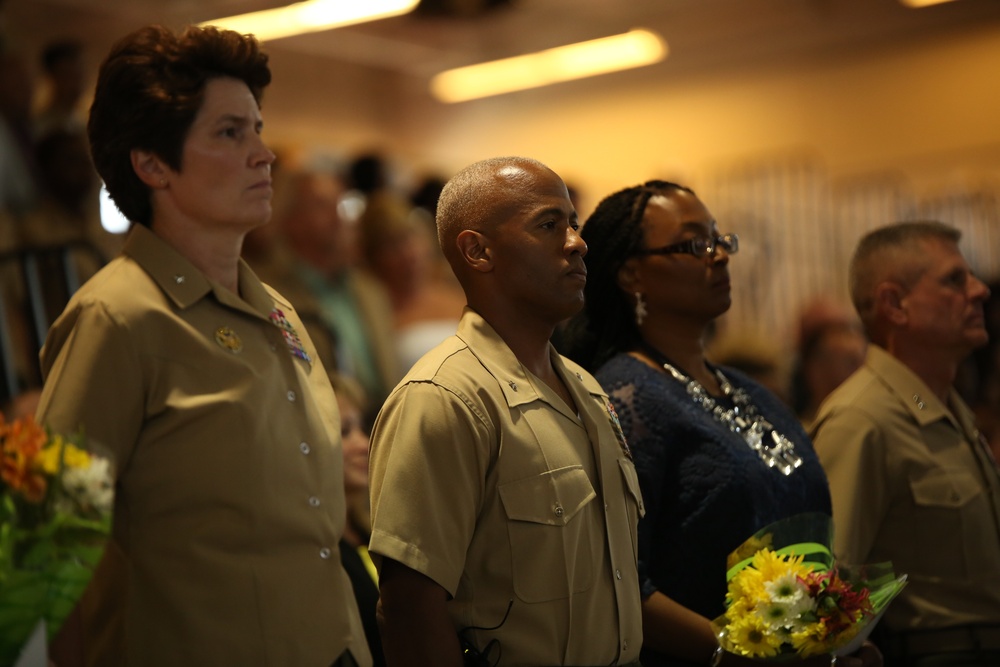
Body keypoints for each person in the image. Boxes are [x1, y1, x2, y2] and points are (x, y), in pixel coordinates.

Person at [34, 25, 371, 666]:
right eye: (229, 133)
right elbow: (46, 544)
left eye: (258, 128)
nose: (263, 154)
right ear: (151, 164)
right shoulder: (116, 317)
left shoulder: (280, 312)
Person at [562, 180, 875, 667]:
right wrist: (741, 655)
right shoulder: (623, 395)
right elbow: (619, 580)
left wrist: (837, 628)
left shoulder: (748, 390)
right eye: (695, 245)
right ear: (631, 274)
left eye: (720, 241)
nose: (720, 256)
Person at [367, 156, 644, 666]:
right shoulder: (444, 397)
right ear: (477, 251)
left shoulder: (585, 388)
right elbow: (410, 611)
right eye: (549, 224)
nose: (578, 242)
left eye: (575, 224)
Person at [810, 221, 1000, 667]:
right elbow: (824, 586)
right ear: (895, 304)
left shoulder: (944, 406)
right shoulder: (862, 420)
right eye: (955, 280)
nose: (980, 292)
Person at [256, 165, 400, 414]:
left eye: (340, 204)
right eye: (321, 206)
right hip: (324, 426)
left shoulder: (370, 290)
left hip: (386, 422)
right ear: (290, 219)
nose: (338, 217)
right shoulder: (268, 292)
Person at [358, 190, 466, 373]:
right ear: (374, 257)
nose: (409, 254)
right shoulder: (373, 310)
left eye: (411, 238)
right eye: (393, 246)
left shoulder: (457, 286)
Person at [329, 373, 386, 667]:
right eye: (344, 431)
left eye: (361, 428)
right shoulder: (322, 551)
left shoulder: (372, 528)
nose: (364, 445)